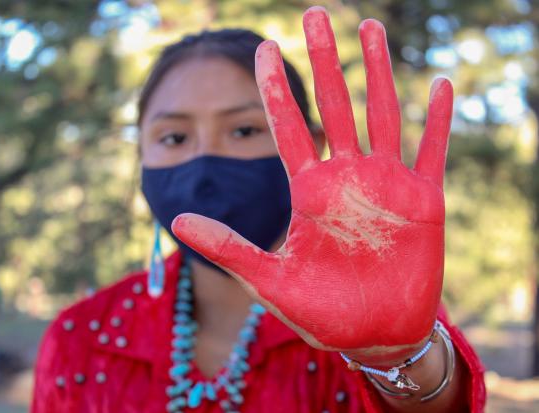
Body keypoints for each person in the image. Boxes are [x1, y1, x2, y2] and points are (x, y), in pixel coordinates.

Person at [31, 6, 486, 413]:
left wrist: (395, 358)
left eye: (245, 130)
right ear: (141, 158)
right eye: (173, 137)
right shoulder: (82, 338)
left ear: (313, 147)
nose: (205, 163)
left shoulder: (376, 308)